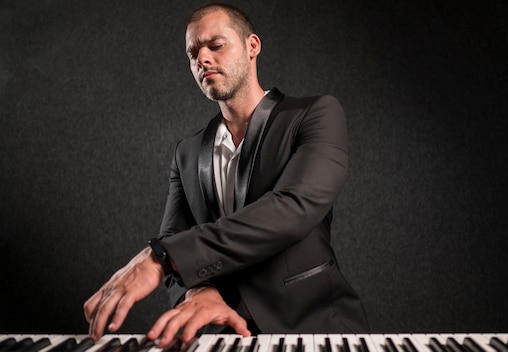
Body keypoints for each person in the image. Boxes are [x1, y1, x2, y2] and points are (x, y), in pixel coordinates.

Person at [83, 2, 370, 347]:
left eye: (215, 46)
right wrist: (199, 292)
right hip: (226, 339)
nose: (202, 58)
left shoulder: (316, 114)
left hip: (317, 329)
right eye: (193, 53)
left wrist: (162, 256)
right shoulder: (186, 153)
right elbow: (175, 240)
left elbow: (292, 210)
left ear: (252, 46)